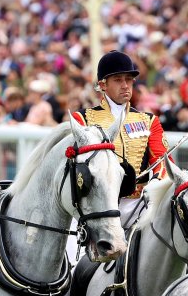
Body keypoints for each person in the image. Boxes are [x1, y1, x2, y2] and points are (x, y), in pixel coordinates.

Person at [71, 50, 167, 223]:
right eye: (118, 80)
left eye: (129, 79)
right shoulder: (82, 119)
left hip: (138, 204)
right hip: (95, 205)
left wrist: (155, 182)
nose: (125, 85)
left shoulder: (149, 121)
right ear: (103, 85)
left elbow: (163, 162)